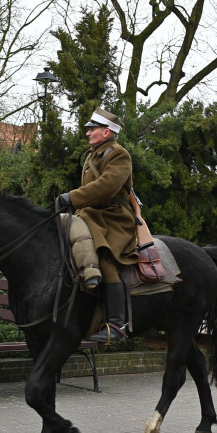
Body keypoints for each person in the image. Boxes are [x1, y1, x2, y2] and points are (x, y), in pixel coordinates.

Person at [58, 107, 138, 343]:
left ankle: (117, 325)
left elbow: (107, 187)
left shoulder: (119, 154)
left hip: (114, 217)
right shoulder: (92, 155)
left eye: (92, 129)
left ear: (106, 131)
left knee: (104, 255)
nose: (87, 133)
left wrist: (71, 197)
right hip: (92, 214)